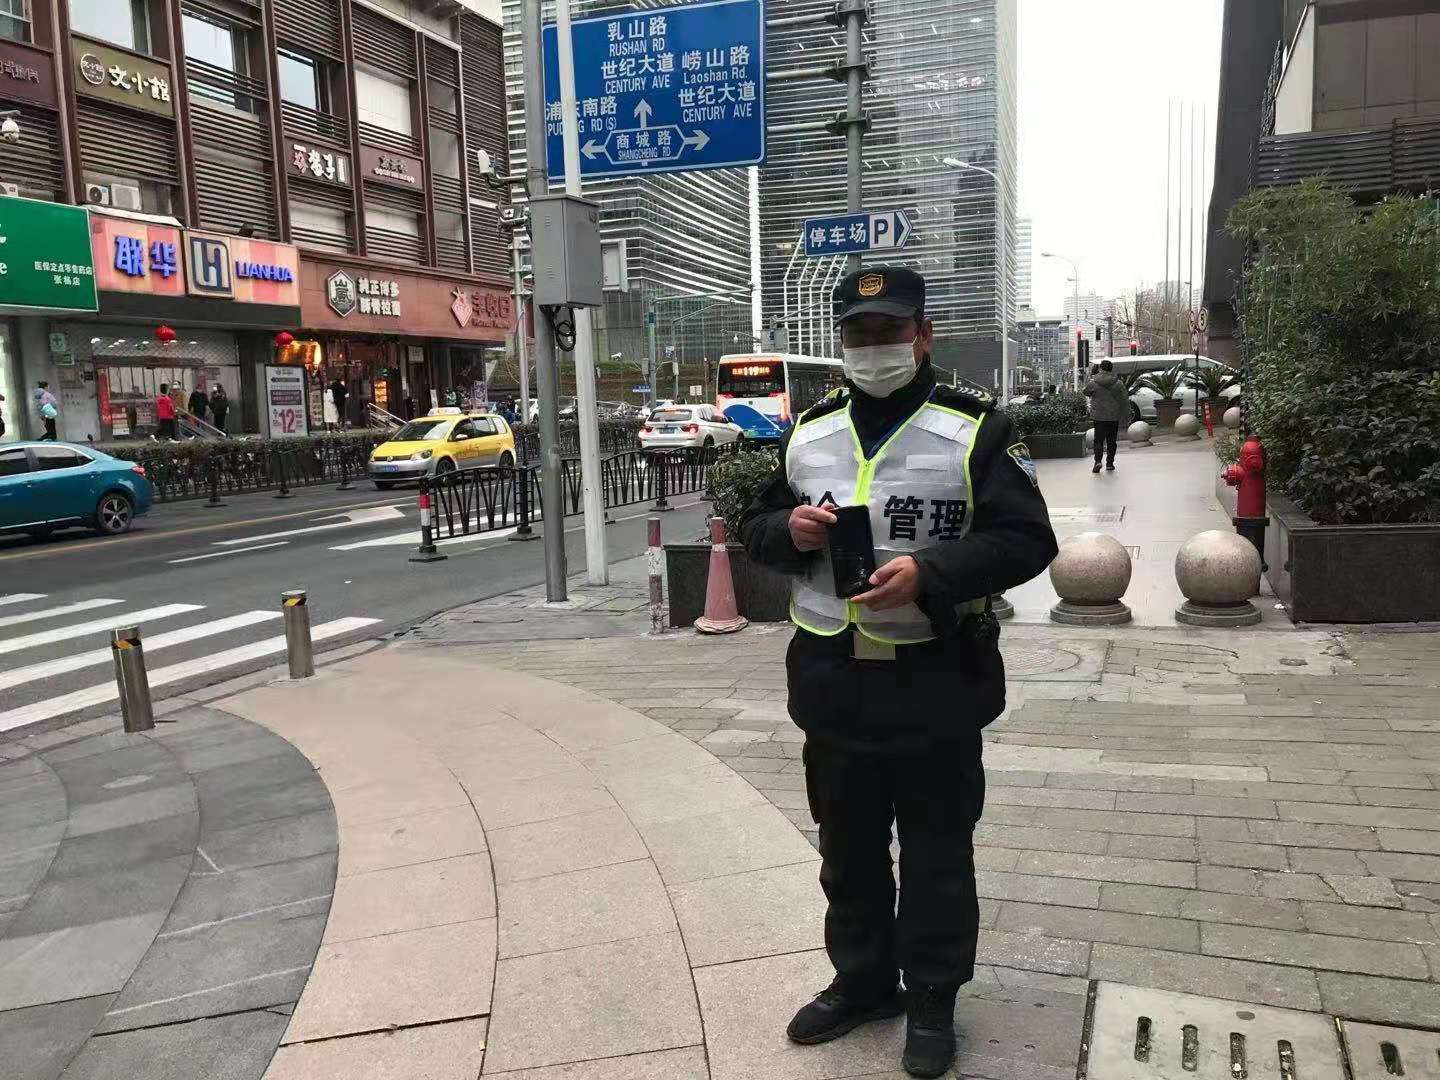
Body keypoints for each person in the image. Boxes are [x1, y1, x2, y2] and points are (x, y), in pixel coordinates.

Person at [740, 266, 1058, 1079]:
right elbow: (756, 523)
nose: (872, 346)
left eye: (889, 331)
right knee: (846, 851)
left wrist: (932, 573)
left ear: (922, 335)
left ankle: (934, 998)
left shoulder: (975, 428)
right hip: (832, 678)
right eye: (858, 333)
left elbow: (1028, 540)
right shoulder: (809, 431)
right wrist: (788, 531)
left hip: (935, 679)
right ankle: (864, 982)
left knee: (936, 853)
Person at [1083, 359, 1130, 474]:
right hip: (1113, 416)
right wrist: (1126, 415)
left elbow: (1085, 392)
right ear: (1111, 369)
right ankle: (1109, 464)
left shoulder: (1093, 382)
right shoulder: (1118, 383)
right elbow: (1124, 399)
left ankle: (1098, 461)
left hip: (1098, 416)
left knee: (1098, 440)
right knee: (1112, 440)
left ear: (1101, 369)